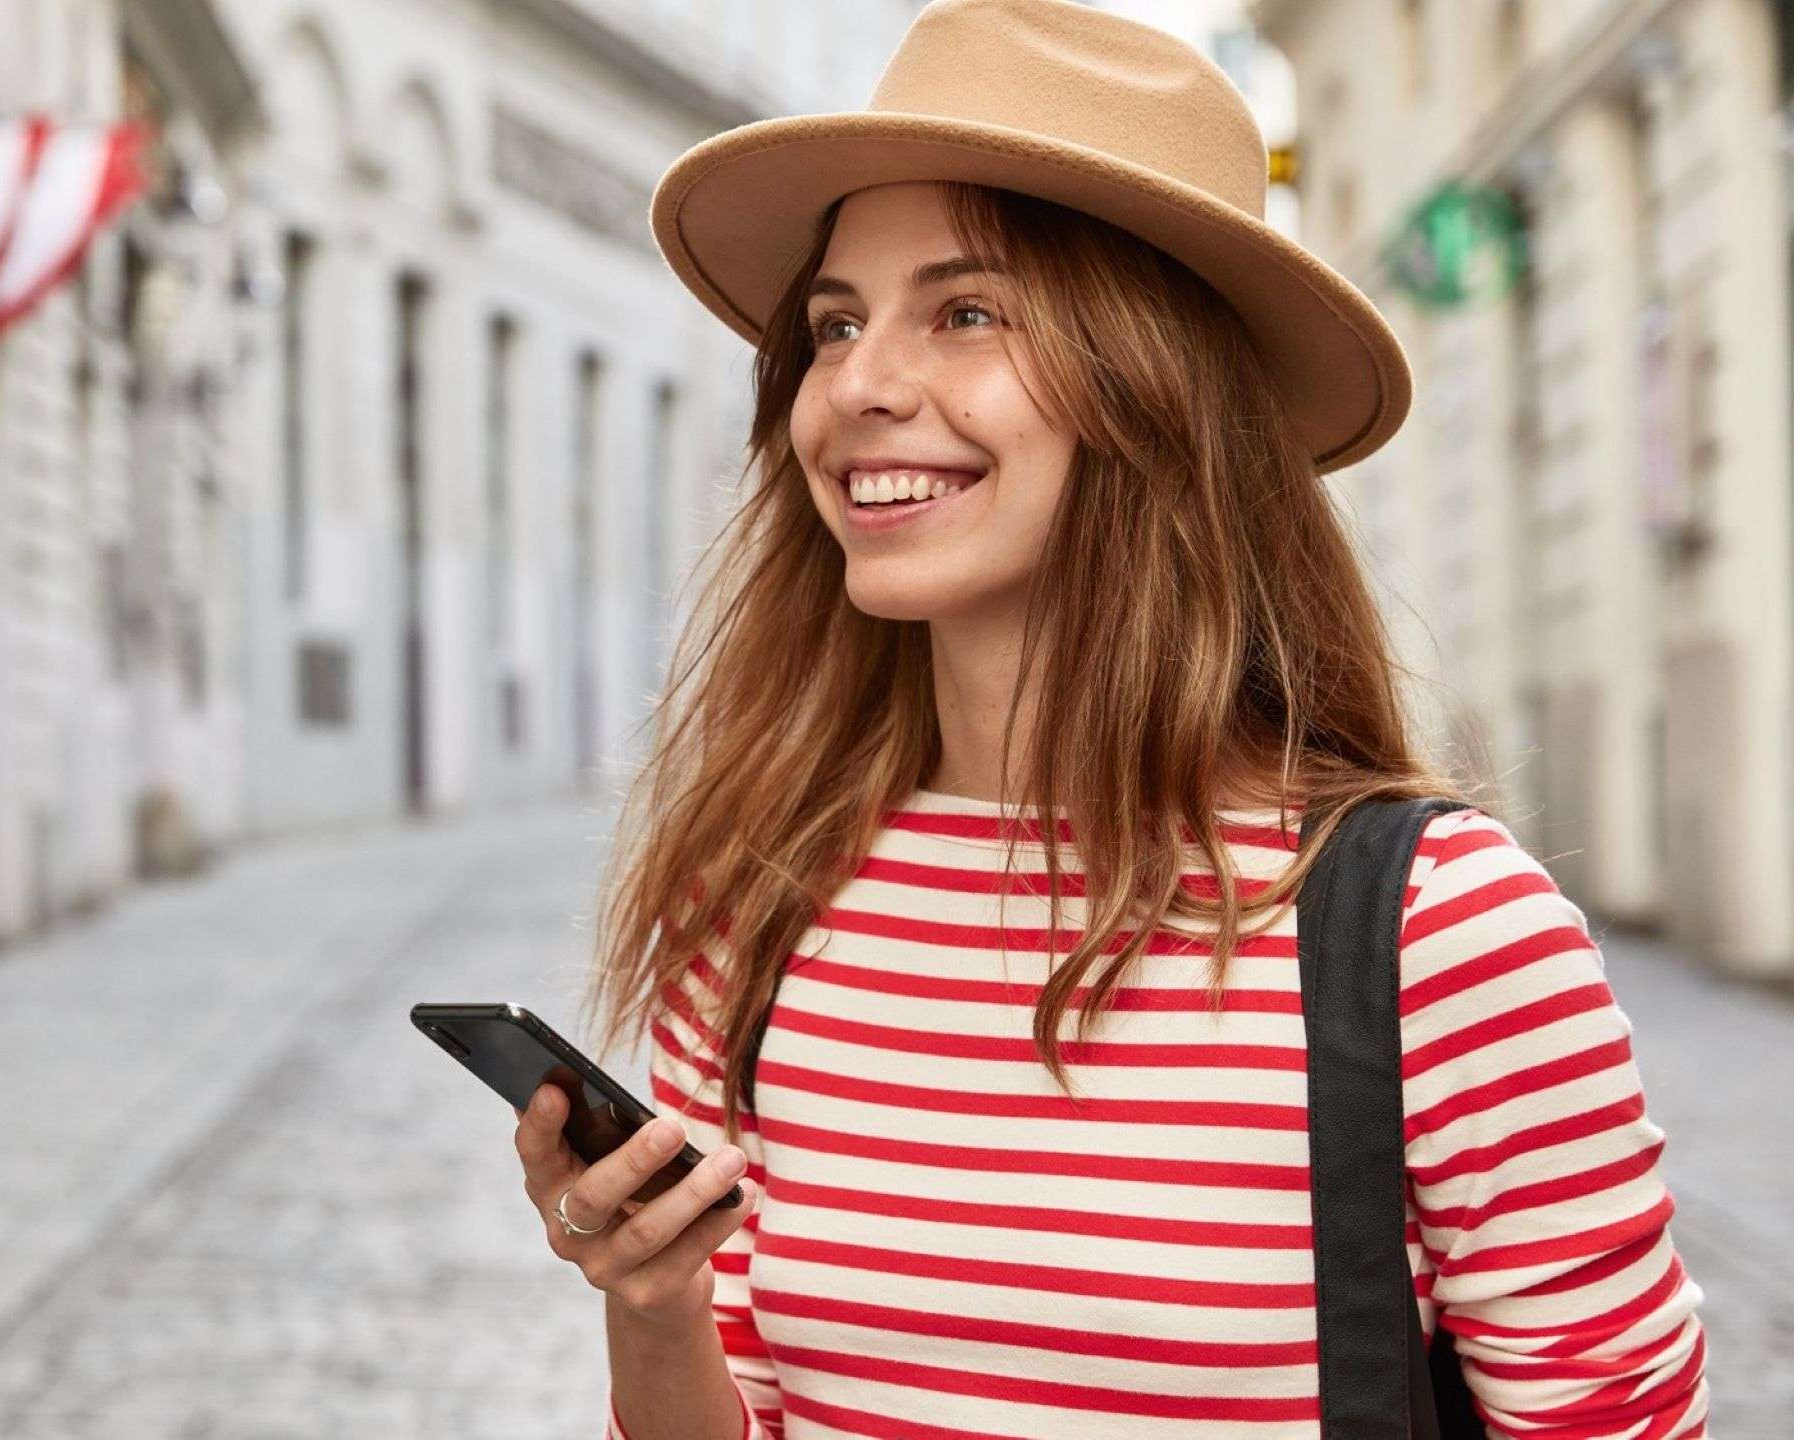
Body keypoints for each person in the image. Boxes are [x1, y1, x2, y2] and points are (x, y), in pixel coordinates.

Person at [507, 1, 1714, 1436]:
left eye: (967, 311)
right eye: (835, 324)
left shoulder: (1437, 935)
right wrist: (654, 1310)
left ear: (1161, 394)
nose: (859, 389)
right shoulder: (758, 903)